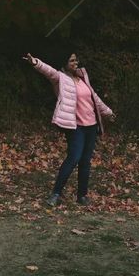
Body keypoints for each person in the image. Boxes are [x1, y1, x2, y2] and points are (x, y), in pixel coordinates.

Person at [23, 51, 115, 206]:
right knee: (73, 158)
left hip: (91, 126)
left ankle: (82, 196)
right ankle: (56, 194)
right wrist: (35, 62)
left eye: (76, 60)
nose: (75, 63)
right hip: (75, 127)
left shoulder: (82, 77)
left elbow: (95, 98)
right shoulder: (61, 79)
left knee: (85, 162)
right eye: (72, 60)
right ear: (64, 63)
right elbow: (48, 71)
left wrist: (108, 113)